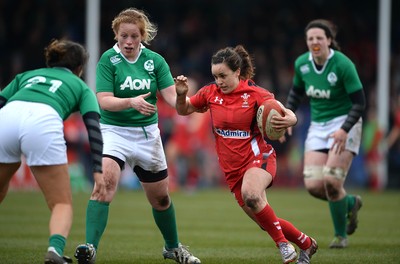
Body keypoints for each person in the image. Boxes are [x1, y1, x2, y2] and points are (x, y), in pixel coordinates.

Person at [74, 8, 200, 264]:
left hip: (146, 136)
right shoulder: (108, 60)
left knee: (161, 198)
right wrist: (131, 102)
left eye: (134, 36)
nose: (129, 41)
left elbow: (174, 103)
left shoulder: (156, 61)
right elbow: (104, 101)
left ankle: (172, 247)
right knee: (104, 184)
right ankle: (90, 247)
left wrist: (181, 94)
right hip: (113, 132)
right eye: (124, 36)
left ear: (142, 36)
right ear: (116, 36)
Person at [175, 45, 318, 264]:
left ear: (237, 72)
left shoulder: (255, 93)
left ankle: (283, 246)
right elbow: (183, 110)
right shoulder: (209, 93)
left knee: (252, 195)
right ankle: (307, 244)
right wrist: (181, 95)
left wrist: (292, 119)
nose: (219, 81)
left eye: (223, 76)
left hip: (258, 158)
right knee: (265, 221)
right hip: (231, 170)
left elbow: (280, 109)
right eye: (215, 76)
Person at [0, 39, 105, 264]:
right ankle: (55, 252)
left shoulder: (27, 76)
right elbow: (94, 129)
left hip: (7, 116)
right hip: (43, 120)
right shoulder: (80, 86)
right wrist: (97, 169)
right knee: (61, 202)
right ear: (79, 69)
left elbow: (1, 101)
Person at [282, 19, 365, 248]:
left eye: (319, 38)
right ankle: (349, 203)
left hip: (346, 122)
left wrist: (344, 130)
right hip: (318, 126)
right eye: (310, 38)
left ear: (329, 40)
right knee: (314, 186)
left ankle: (340, 237)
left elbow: (360, 103)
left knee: (331, 180)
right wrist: (287, 116)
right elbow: (296, 94)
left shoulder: (342, 64)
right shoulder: (302, 64)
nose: (315, 42)